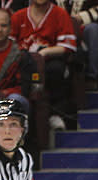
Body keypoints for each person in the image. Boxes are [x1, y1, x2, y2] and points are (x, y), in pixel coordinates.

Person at [10, 0, 77, 131]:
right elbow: (9, 46)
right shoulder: (18, 16)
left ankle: (55, 114)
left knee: (56, 69)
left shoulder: (60, 14)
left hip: (49, 61)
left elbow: (67, 47)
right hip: (23, 61)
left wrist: (43, 53)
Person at [55, 0, 98, 91]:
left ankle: (92, 77)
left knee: (94, 30)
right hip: (60, 28)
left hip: (84, 26)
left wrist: (81, 18)